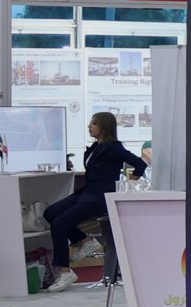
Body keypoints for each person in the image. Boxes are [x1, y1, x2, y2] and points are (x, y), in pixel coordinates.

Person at [42, 112, 147, 291]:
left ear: (104, 126)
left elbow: (140, 164)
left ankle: (65, 271)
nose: (89, 127)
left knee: (59, 225)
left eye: (94, 124)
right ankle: (84, 240)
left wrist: (129, 184)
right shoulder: (95, 147)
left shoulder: (113, 148)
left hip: (98, 197)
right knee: (50, 213)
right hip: (87, 192)